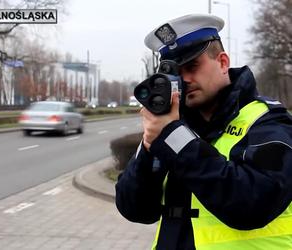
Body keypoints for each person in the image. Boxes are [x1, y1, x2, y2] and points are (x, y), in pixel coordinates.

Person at [115, 14, 292, 250]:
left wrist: (173, 137)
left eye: (192, 66)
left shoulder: (269, 122)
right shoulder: (173, 125)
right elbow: (135, 209)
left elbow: (254, 204)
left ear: (222, 62)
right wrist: (148, 148)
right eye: (177, 72)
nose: (185, 79)